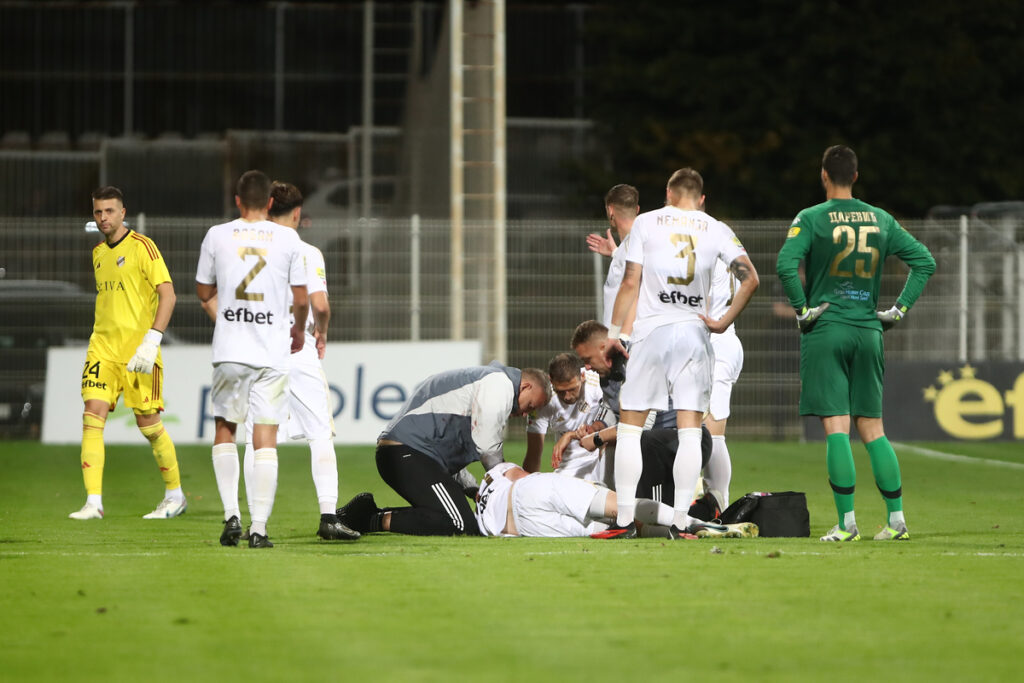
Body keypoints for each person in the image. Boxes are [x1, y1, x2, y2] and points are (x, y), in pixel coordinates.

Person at [776, 145, 935, 542]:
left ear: (824, 176)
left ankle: (847, 524)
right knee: (874, 429)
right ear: (856, 177)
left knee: (836, 429)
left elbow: (784, 264)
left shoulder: (811, 217)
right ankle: (896, 521)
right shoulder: (880, 218)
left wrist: (802, 310)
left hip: (828, 328)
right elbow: (924, 262)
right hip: (868, 329)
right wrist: (897, 311)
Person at [599, 168, 759, 540]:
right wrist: (722, 321)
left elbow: (630, 281)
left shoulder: (647, 222)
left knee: (629, 429)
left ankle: (624, 520)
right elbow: (751, 278)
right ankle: (682, 520)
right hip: (693, 332)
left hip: (652, 332)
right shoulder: (716, 228)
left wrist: (613, 334)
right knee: (691, 431)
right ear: (700, 197)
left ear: (668, 193)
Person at [202, 182, 359, 542]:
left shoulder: (240, 244)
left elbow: (208, 294)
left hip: (258, 350)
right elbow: (318, 305)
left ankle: (246, 520)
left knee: (256, 438)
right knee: (320, 434)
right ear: (298, 213)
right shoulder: (305, 251)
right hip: (296, 348)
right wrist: (320, 333)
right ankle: (328, 516)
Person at [196, 170, 309, 548]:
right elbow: (302, 298)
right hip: (271, 352)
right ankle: (258, 529)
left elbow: (203, 290)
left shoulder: (217, 234)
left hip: (230, 351)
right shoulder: (287, 238)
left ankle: (231, 515)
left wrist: (227, 319)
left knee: (225, 428)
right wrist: (297, 330)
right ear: (271, 202)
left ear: (238, 200)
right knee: (266, 438)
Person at [69, 186, 186, 521]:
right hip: (102, 349)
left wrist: (152, 341)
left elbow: (168, 294)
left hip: (139, 352)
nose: (103, 217)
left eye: (109, 211)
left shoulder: (142, 247)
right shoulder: (98, 253)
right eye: (97, 212)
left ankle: (175, 495)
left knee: (148, 424)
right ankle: (93, 501)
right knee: (92, 415)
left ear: (123, 213)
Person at [335, 363, 552, 536]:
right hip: (407, 454)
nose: (525, 414)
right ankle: (369, 519)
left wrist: (475, 491)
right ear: (525, 387)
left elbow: (446, 460)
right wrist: (502, 492)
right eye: (530, 406)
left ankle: (366, 513)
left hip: (408, 455)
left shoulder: (488, 381)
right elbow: (488, 449)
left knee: (454, 518)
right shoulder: (499, 384)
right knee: (459, 523)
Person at [473, 462, 757, 539]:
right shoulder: (495, 472)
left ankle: (674, 535)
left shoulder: (480, 511)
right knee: (622, 507)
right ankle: (698, 524)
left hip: (520, 528)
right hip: (529, 491)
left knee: (612, 529)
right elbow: (521, 475)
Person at [524, 353, 614, 483]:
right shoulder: (543, 401)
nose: (567, 397)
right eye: (560, 391)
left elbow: (614, 423)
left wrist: (570, 435)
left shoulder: (596, 382)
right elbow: (533, 455)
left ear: (582, 377)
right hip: (568, 467)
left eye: (572, 389)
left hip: (601, 459)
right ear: (551, 381)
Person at [587, 184, 640, 330]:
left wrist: (619, 337)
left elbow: (634, 289)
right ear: (637, 209)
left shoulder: (634, 244)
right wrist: (616, 253)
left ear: (610, 210)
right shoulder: (632, 245)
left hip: (626, 342)